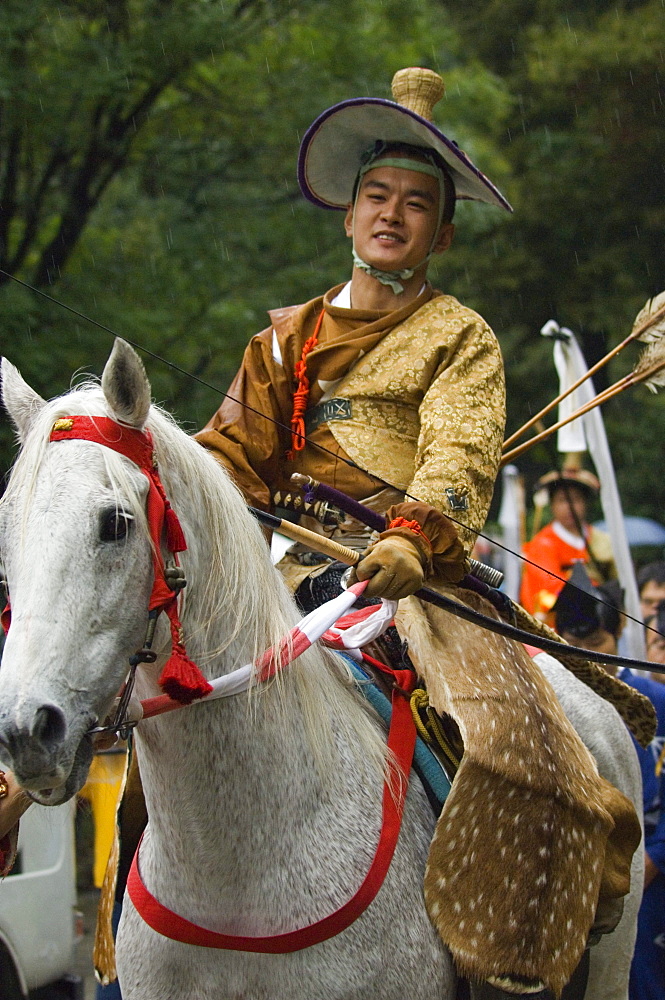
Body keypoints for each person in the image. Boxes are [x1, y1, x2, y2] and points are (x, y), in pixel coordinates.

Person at [196, 66, 509, 604]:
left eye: (417, 204)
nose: (391, 214)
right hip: (283, 572)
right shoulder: (286, 338)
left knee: (472, 690)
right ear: (349, 217)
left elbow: (459, 453)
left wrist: (412, 541)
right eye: (377, 196)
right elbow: (230, 460)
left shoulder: (461, 336)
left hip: (402, 573)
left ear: (444, 236)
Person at [554, 568, 665, 1000]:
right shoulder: (546, 698)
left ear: (619, 633)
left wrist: (652, 858)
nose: (583, 657)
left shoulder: (655, 702)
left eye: (595, 644)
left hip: (655, 873)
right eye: (571, 645)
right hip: (580, 874)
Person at [519, 464, 616, 623]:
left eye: (576, 499)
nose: (569, 507)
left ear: (585, 503)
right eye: (562, 500)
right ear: (552, 505)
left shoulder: (602, 540)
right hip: (559, 624)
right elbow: (550, 587)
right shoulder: (543, 544)